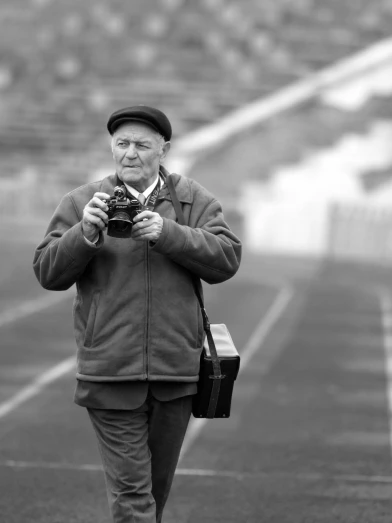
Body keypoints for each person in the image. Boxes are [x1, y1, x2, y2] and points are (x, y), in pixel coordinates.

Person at [32, 105, 242, 522]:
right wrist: (84, 233)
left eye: (142, 145)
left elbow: (227, 260)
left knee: (153, 499)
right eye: (121, 143)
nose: (130, 153)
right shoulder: (81, 203)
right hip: (110, 372)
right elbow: (47, 272)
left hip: (176, 374)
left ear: (163, 149)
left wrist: (170, 234)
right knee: (133, 500)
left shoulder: (191, 199)